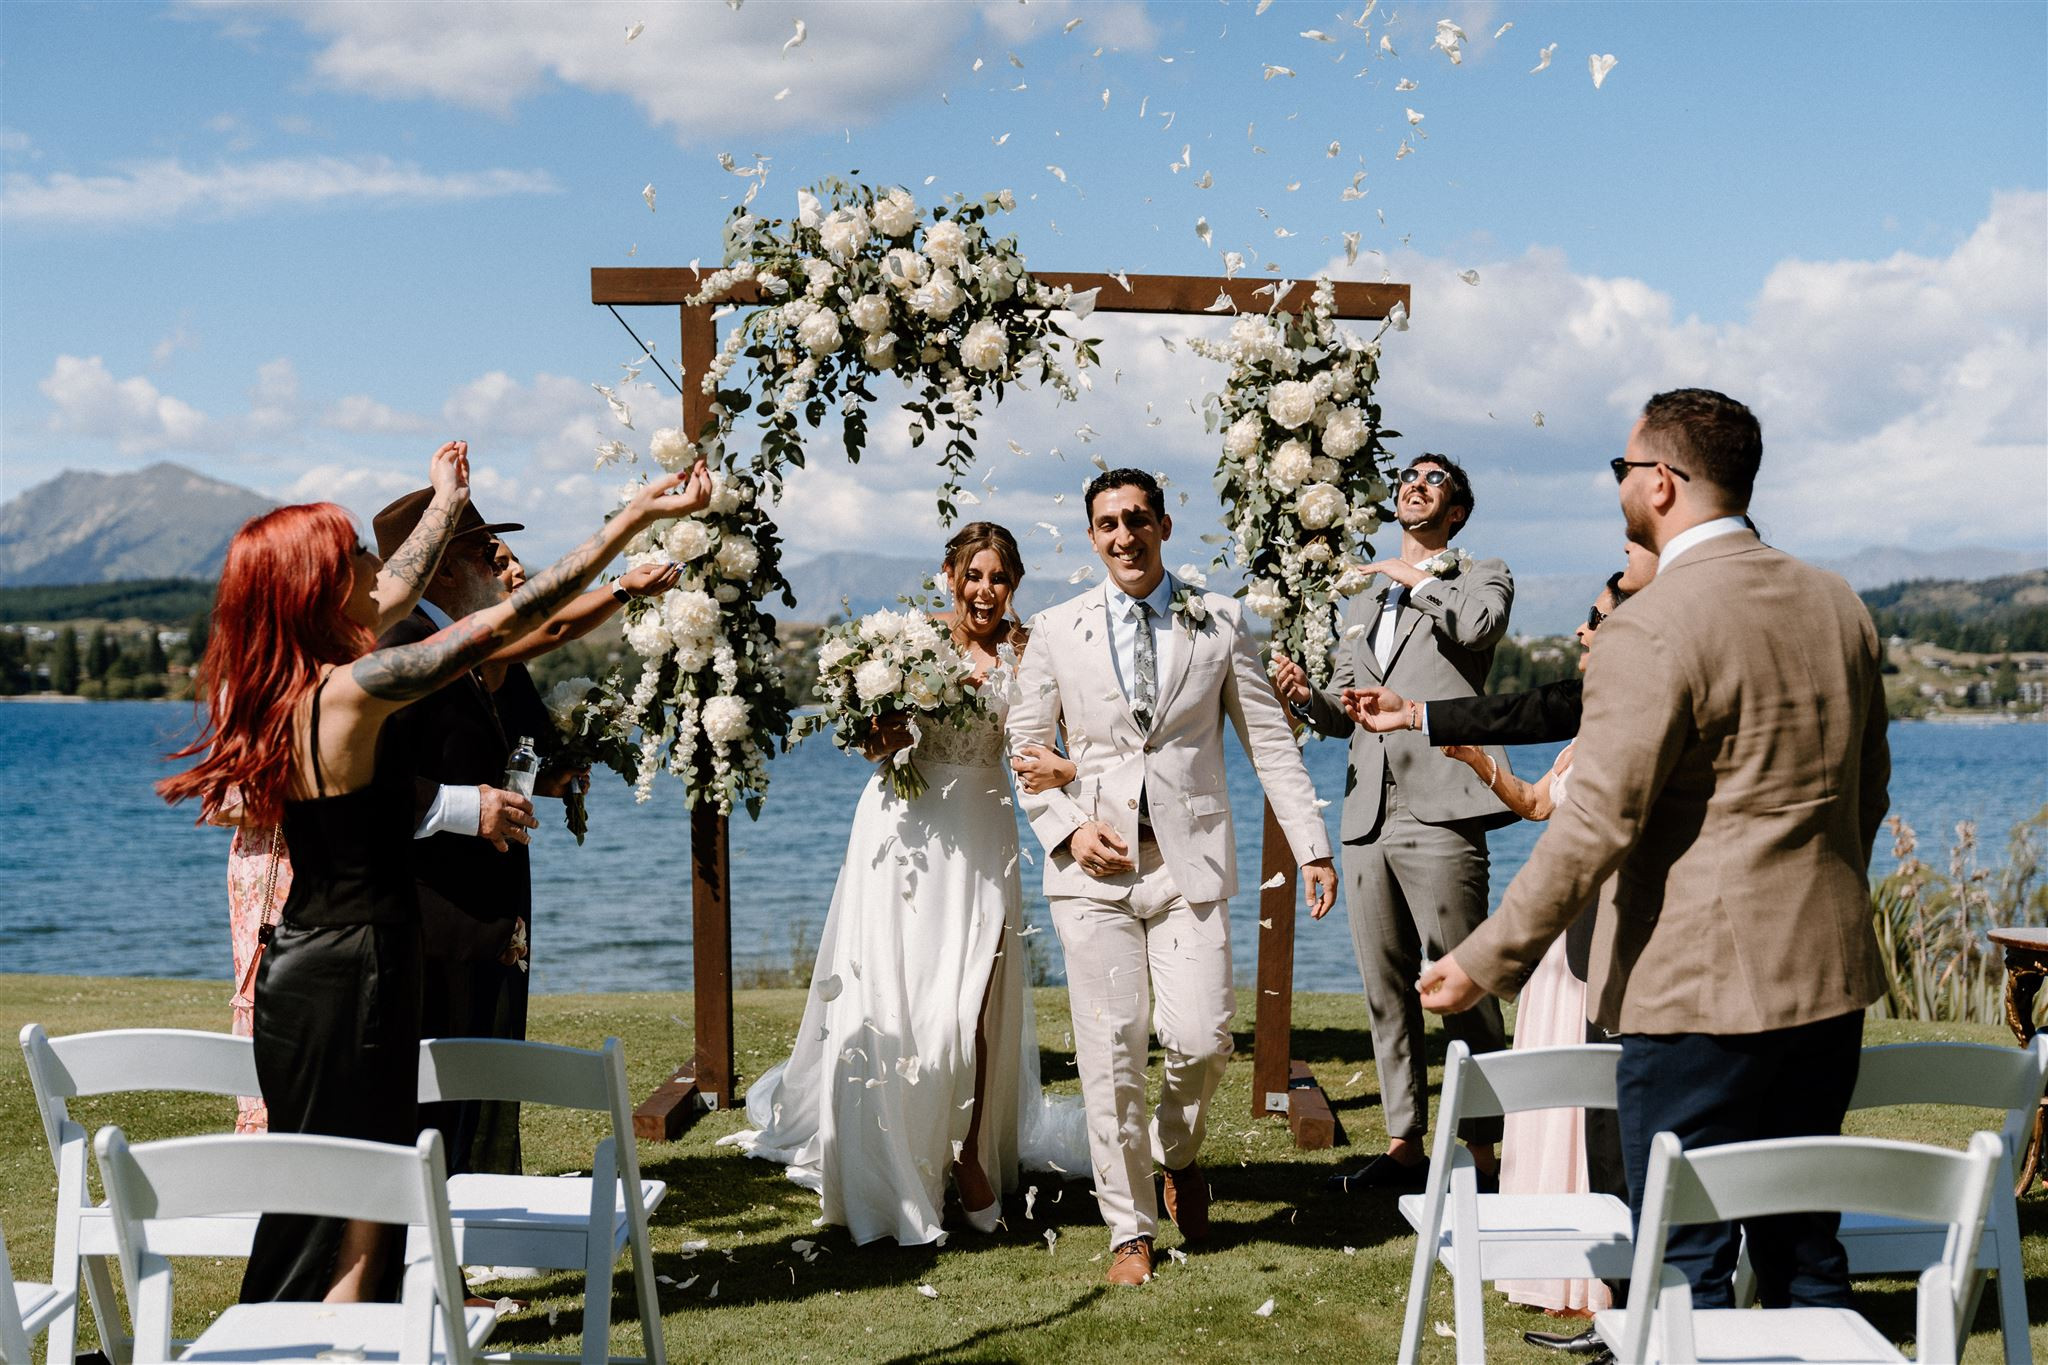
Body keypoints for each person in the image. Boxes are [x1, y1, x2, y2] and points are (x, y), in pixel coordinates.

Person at [159, 454, 710, 1305]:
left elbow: (408, 587)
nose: (379, 570)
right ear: (320, 591)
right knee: (361, 1220)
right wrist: (628, 521)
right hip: (356, 976)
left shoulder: (297, 686)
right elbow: (507, 621)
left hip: (309, 966)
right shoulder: (352, 691)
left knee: (335, 1207)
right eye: (356, 557)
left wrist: (450, 499)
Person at [1420, 388, 1891, 1313]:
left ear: (1665, 483)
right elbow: (1867, 795)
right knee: (1805, 1249)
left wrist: (1486, 958)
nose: (1622, 485)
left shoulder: (1653, 623)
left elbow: (1594, 823)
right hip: (1828, 981)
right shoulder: (1839, 604)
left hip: (1696, 994)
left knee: (1686, 1265)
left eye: (1625, 468)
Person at [1009, 468, 1336, 1286]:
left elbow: (1268, 743)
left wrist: (1315, 846)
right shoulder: (1054, 629)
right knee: (1110, 1054)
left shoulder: (1220, 620)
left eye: (1138, 519)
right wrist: (1070, 827)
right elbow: (1023, 750)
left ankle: (1176, 1153)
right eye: (1108, 523)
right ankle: (1128, 1229)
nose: (1125, 536)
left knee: (1203, 1038)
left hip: (1189, 868)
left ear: (1163, 525)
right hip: (1094, 874)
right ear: (1091, 536)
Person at [724, 522, 1084, 1246]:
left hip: (987, 834)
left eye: (1000, 578)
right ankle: (898, 1157)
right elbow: (867, 744)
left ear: (1014, 585)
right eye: (973, 574)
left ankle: (974, 1153)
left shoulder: (1028, 650)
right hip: (906, 833)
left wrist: (1073, 782)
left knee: (974, 1009)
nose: (985, 590)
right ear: (948, 573)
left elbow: (1062, 744)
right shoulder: (910, 643)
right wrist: (880, 732)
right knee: (904, 1003)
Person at [1270, 452, 1513, 1194]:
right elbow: (1348, 716)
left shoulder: (1481, 575)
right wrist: (1307, 697)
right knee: (1385, 986)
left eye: (1434, 479)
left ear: (1458, 510)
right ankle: (1405, 1142)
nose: (1414, 484)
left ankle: (1491, 1151)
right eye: (1409, 476)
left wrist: (1417, 577)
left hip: (1442, 805)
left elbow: (1477, 630)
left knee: (1462, 982)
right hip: (1366, 813)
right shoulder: (1365, 607)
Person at [1437, 564, 1646, 1332]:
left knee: (1592, 1102)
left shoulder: (1631, 727)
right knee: (1558, 1092)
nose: (1583, 632)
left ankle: (1604, 1285)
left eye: (1595, 619)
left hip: (1597, 928)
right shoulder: (1591, 728)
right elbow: (1534, 804)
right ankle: (1559, 1269)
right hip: (1558, 937)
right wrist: (1474, 759)